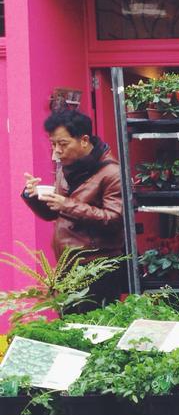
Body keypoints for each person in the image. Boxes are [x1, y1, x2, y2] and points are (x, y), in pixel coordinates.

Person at [20, 110, 127, 306]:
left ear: (84, 140)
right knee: (68, 327)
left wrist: (66, 204)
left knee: (95, 328)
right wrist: (33, 196)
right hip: (67, 265)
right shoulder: (66, 168)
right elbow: (55, 213)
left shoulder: (112, 173)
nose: (57, 151)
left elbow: (114, 219)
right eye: (53, 144)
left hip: (98, 267)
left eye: (63, 144)